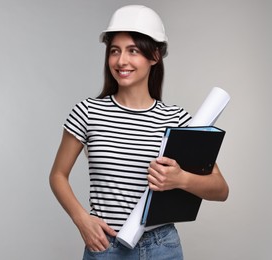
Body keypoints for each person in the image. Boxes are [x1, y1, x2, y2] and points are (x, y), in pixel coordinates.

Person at [49, 5, 229, 260]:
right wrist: (81, 219)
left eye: (133, 50)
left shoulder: (177, 119)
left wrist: (180, 180)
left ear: (154, 55)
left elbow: (220, 189)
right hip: (105, 246)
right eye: (115, 51)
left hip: (162, 246)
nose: (121, 61)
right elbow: (58, 175)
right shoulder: (88, 112)